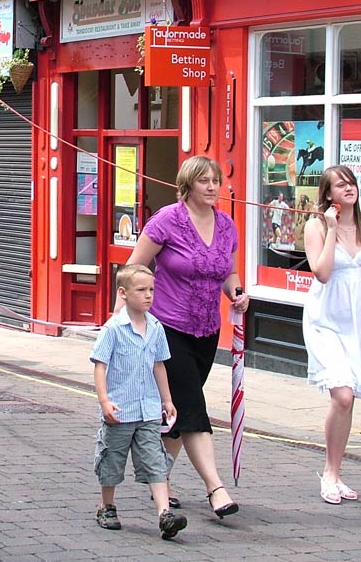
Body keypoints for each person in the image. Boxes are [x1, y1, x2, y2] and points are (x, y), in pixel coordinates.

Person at [126, 155, 248, 518]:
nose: (213, 187)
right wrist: (126, 319)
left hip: (207, 332)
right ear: (188, 185)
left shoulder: (227, 226)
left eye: (216, 181)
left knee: (176, 413)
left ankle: (157, 476)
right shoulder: (167, 220)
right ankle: (216, 489)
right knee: (193, 408)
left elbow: (229, 272)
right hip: (166, 330)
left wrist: (237, 292)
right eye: (205, 181)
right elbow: (134, 267)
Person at [302, 165, 361, 504]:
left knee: (351, 395)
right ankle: (328, 472)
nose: (348, 188)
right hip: (325, 318)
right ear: (328, 194)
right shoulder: (315, 225)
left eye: (351, 182)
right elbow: (322, 273)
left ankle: (336, 473)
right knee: (341, 394)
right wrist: (329, 228)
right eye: (340, 185)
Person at [91, 264, 186, 539]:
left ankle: (164, 514)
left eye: (152, 290)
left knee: (155, 459)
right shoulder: (113, 329)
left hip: (148, 410)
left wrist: (166, 400)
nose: (148, 295)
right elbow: (100, 366)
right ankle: (107, 506)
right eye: (141, 290)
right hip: (121, 409)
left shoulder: (156, 327)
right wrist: (105, 401)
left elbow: (159, 365)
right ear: (123, 293)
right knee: (112, 458)